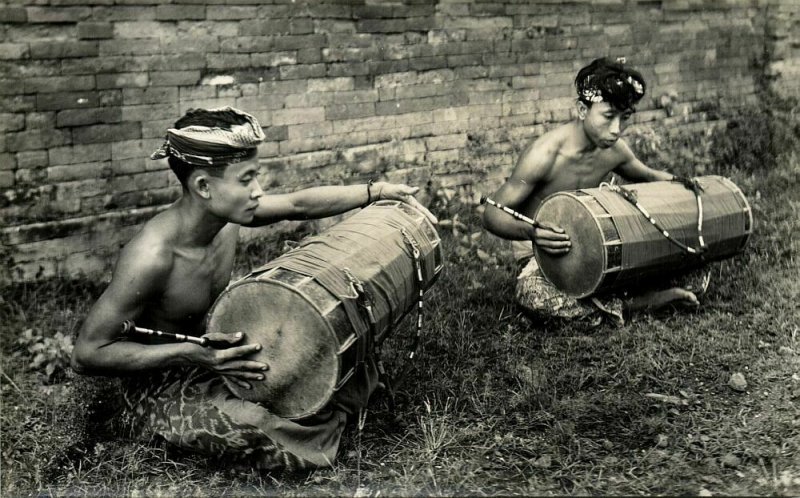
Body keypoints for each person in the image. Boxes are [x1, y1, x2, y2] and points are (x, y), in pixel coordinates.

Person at [70, 106, 437, 470]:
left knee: (331, 355)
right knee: (250, 425)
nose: (258, 191)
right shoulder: (151, 257)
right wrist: (189, 354)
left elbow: (297, 204)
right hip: (158, 380)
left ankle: (315, 416)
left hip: (217, 355)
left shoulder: (225, 218)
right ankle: (310, 422)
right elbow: (87, 353)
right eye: (246, 179)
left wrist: (377, 190)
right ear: (203, 186)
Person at [482, 58, 707, 327]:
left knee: (695, 267)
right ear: (581, 109)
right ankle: (636, 304)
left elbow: (648, 176)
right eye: (608, 117)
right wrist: (533, 233)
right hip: (542, 254)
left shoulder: (614, 150)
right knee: (533, 295)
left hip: (595, 245)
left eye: (624, 118)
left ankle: (611, 298)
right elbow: (492, 212)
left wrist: (683, 183)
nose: (616, 130)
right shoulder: (544, 155)